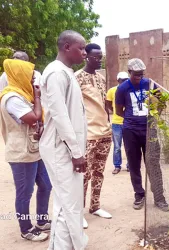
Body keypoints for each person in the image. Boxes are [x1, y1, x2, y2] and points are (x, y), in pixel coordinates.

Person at [39, 30, 89, 250]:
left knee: (68, 203)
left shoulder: (66, 72)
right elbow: (60, 116)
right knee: (67, 205)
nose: (85, 53)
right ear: (67, 47)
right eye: (81, 48)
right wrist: (76, 153)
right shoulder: (56, 73)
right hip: (61, 149)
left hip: (68, 149)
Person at [0, 59, 52, 242]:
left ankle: (42, 220)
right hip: (21, 153)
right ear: (19, 75)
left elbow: (38, 121)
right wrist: (37, 97)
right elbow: (34, 117)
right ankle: (26, 228)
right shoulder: (12, 98)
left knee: (46, 184)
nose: (33, 81)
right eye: (30, 76)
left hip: (33, 149)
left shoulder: (23, 95)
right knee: (25, 192)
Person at [115, 58, 169, 211]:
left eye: (141, 74)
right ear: (129, 72)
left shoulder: (150, 84)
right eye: (136, 74)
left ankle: (159, 197)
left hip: (149, 130)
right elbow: (119, 110)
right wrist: (132, 120)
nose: (139, 77)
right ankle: (139, 194)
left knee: (153, 163)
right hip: (130, 131)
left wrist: (154, 115)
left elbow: (162, 101)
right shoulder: (123, 88)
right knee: (134, 164)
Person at [75, 43, 112, 227]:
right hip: (88, 134)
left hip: (105, 132)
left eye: (101, 57)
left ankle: (95, 206)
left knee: (99, 172)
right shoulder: (77, 78)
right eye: (96, 57)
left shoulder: (100, 77)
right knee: (84, 175)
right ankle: (78, 212)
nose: (99, 60)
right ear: (86, 57)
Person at [106, 72, 130, 174]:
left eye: (126, 80)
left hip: (128, 122)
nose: (124, 82)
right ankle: (117, 166)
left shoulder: (130, 90)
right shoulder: (112, 91)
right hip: (116, 123)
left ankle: (130, 165)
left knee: (129, 146)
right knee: (117, 147)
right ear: (118, 80)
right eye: (122, 80)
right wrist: (117, 111)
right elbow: (108, 104)